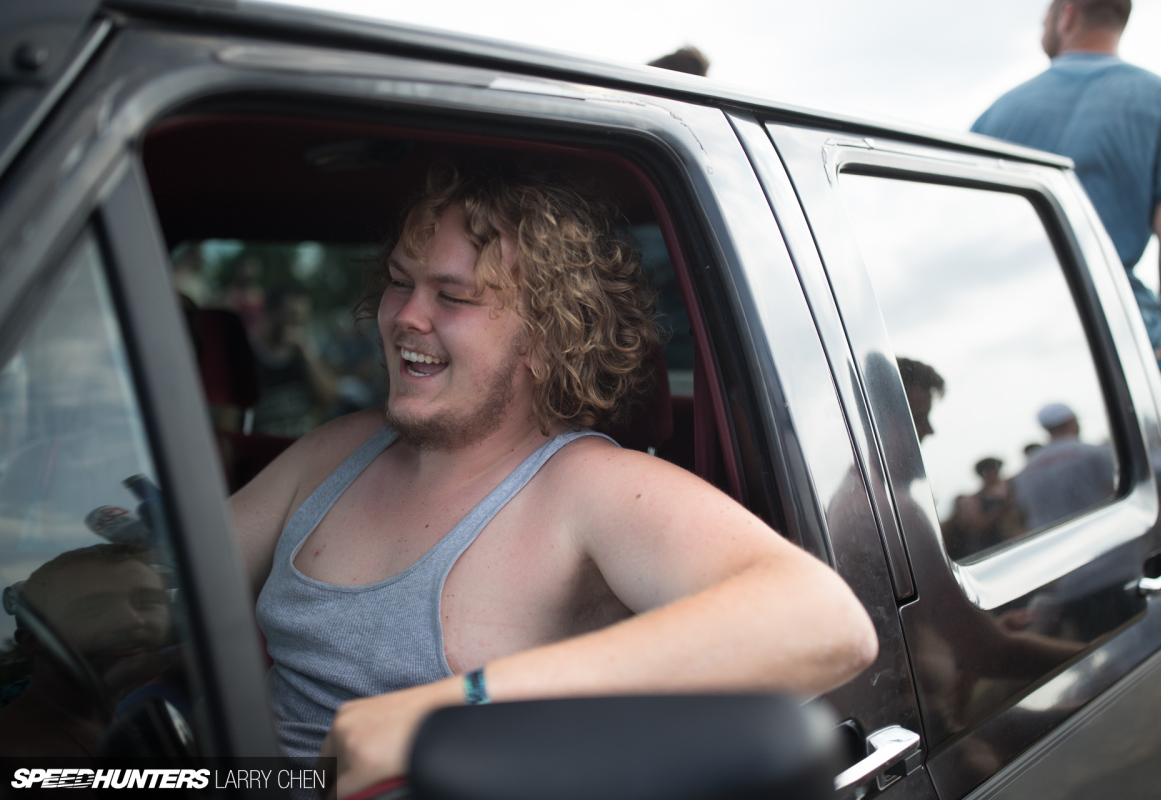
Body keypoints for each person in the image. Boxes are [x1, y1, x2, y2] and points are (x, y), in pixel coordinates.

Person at [232, 161, 877, 795]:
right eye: (401, 282)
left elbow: (826, 623)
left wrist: (460, 706)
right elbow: (172, 581)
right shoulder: (339, 448)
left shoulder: (592, 488)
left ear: (546, 338)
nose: (405, 316)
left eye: (453, 296)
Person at [971, 0, 1161, 369]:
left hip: (1014, 333)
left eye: (1045, 15)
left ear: (1069, 15)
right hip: (1117, 332)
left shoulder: (994, 115)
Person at [0, 543, 171, 756]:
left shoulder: (149, 726)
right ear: (31, 641)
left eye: (146, 601)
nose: (132, 620)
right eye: (92, 608)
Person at [249, 286, 339, 437]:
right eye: (291, 317)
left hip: (302, 447)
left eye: (302, 319)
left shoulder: (302, 355)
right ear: (270, 314)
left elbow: (330, 396)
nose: (298, 326)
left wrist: (307, 353)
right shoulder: (250, 358)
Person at [1010, 403, 1114, 530]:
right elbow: (1113, 491)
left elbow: (1022, 513)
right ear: (1071, 421)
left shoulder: (1025, 471)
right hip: (1099, 531)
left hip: (1053, 543)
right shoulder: (1094, 453)